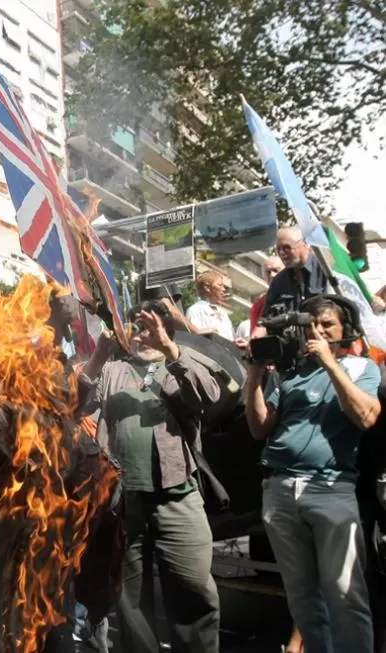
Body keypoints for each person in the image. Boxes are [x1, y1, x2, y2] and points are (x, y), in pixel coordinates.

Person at [81, 300, 222, 653]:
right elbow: (73, 403)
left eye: (150, 327)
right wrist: (99, 355)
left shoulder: (180, 362)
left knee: (193, 589)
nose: (141, 334)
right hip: (122, 501)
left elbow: (209, 395)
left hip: (179, 496)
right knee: (129, 600)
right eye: (136, 327)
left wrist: (169, 347)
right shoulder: (112, 370)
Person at [245, 295, 382, 653]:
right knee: (301, 594)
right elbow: (260, 428)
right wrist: (254, 380)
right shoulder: (290, 374)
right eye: (312, 326)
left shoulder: (360, 367)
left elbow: (366, 417)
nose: (317, 332)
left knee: (343, 591)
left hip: (331, 489)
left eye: (327, 325)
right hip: (279, 489)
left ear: (345, 331)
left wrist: (329, 364)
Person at [261, 226, 330, 316]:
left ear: (305, 244)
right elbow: (265, 320)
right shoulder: (278, 282)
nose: (281, 253)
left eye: (286, 247)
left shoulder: (325, 271)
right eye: (278, 249)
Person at [185, 270, 234, 340]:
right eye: (219, 285)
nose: (223, 289)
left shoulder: (223, 313)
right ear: (207, 287)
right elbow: (196, 340)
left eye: (224, 286)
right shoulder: (195, 310)